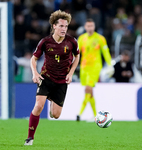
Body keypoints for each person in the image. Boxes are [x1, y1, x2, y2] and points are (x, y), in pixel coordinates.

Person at [24, 10, 80, 145]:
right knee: (38, 106)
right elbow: (33, 58)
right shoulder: (45, 42)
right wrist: (35, 73)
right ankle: (30, 138)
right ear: (54, 26)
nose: (64, 29)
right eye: (61, 26)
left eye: (66, 26)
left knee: (56, 115)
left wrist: (71, 73)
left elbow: (77, 56)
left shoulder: (72, 42)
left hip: (62, 81)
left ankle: (51, 101)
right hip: (46, 78)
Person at [76, 19, 113, 122]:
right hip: (84, 68)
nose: (90, 28)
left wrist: (110, 65)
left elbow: (105, 52)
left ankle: (79, 114)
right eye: (88, 26)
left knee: (88, 88)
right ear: (85, 27)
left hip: (95, 67)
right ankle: (95, 115)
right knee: (89, 91)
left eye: (92, 26)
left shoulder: (100, 38)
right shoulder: (81, 38)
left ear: (94, 26)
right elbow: (76, 53)